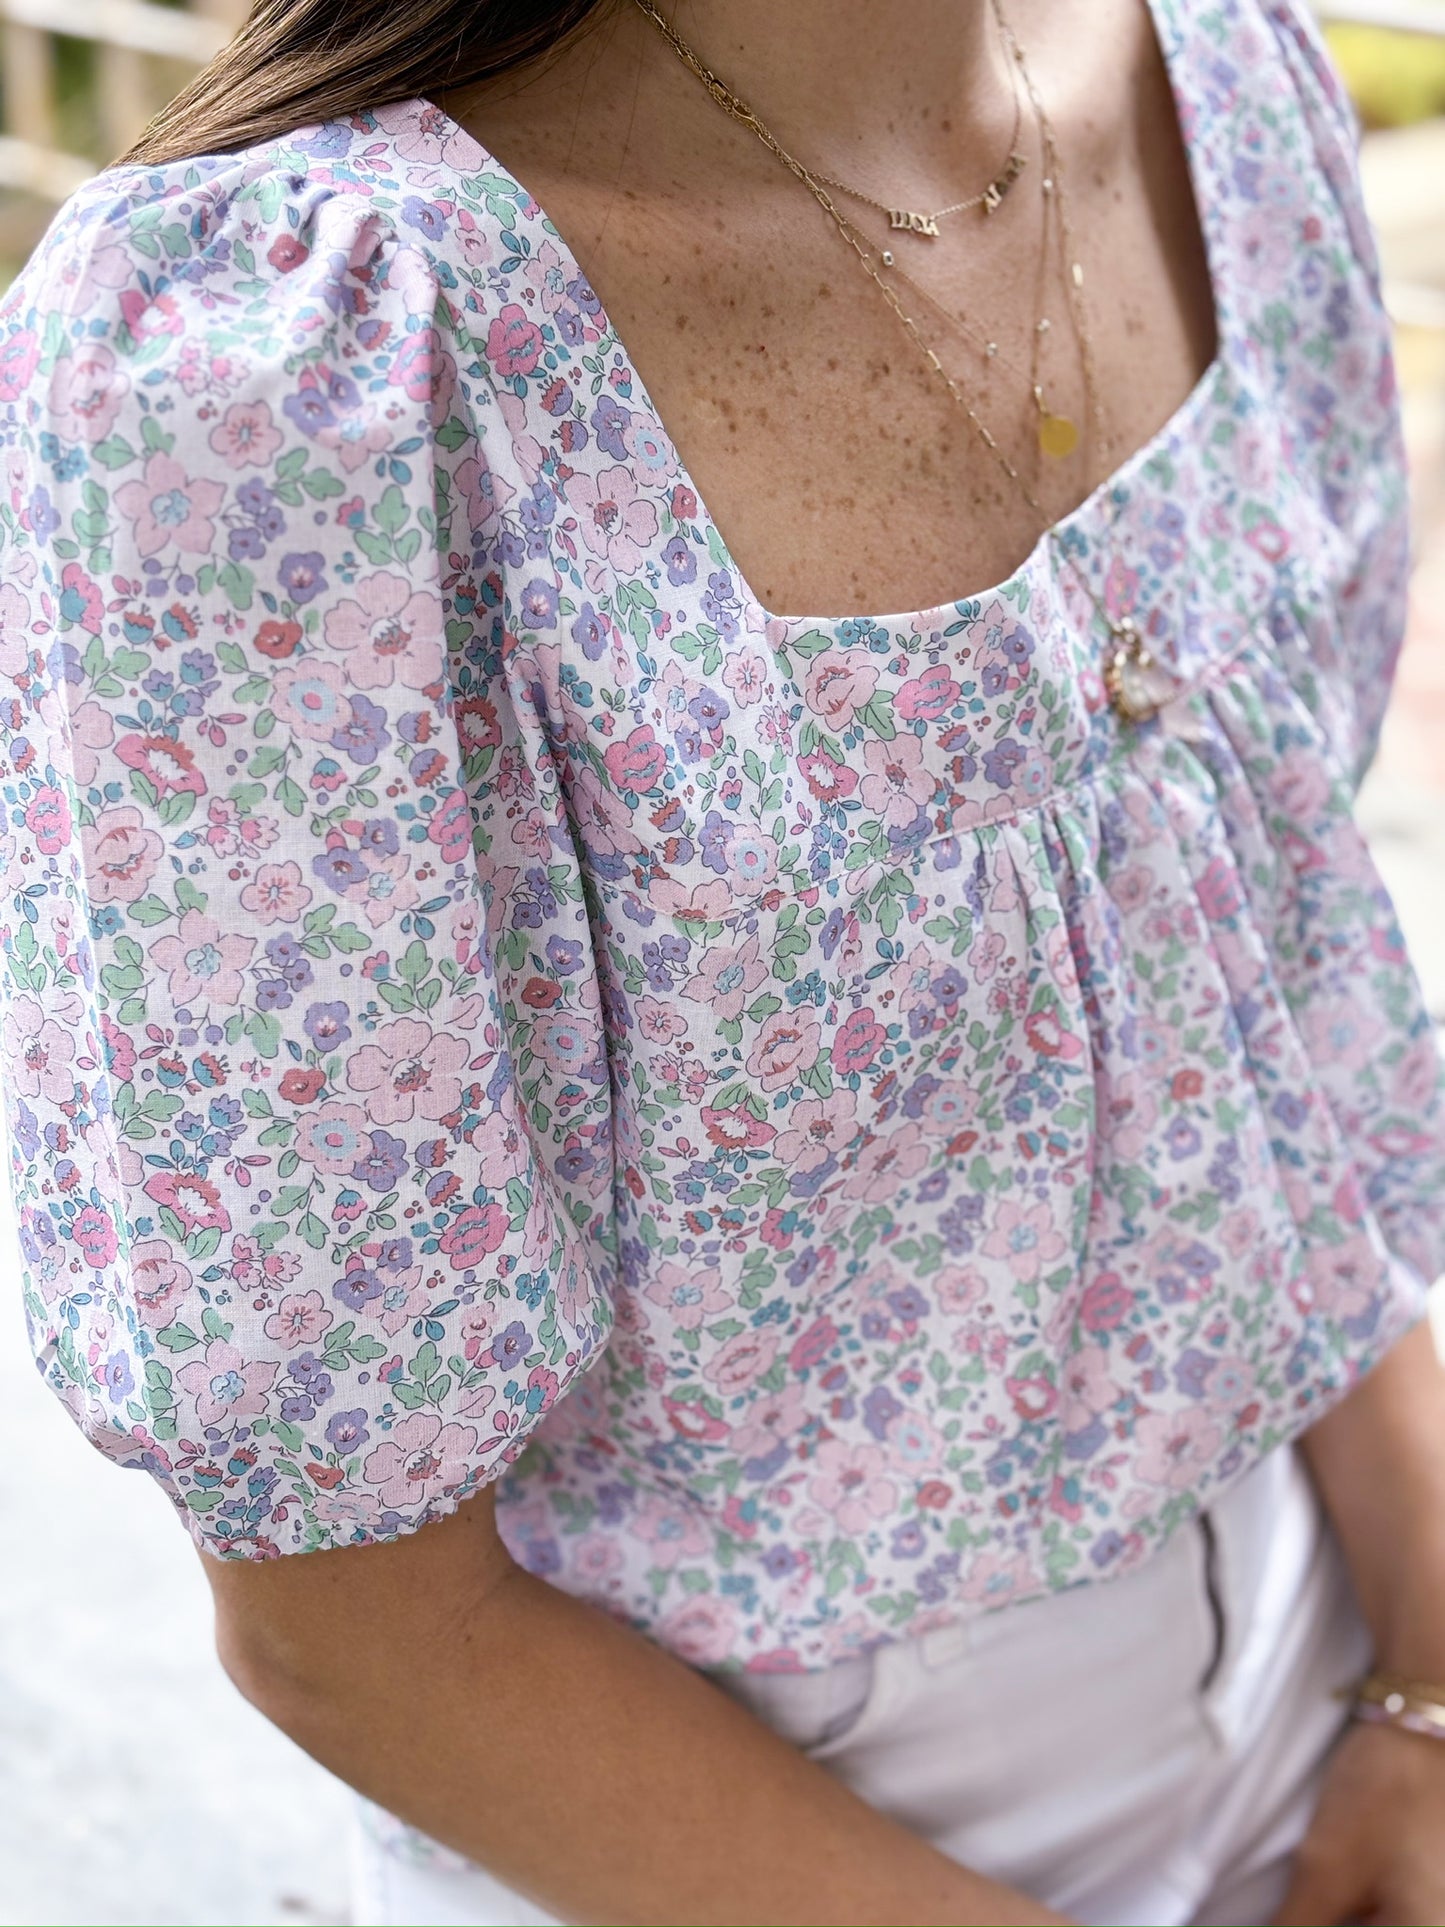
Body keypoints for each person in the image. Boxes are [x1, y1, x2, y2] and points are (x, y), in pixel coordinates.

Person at [4, 0, 1445, 1919]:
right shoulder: (283, 361)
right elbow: (354, 1628)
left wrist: (1422, 1687)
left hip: (1327, 1642)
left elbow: (1247, 1008)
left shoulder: (1216, 78)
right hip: (709, 1836)